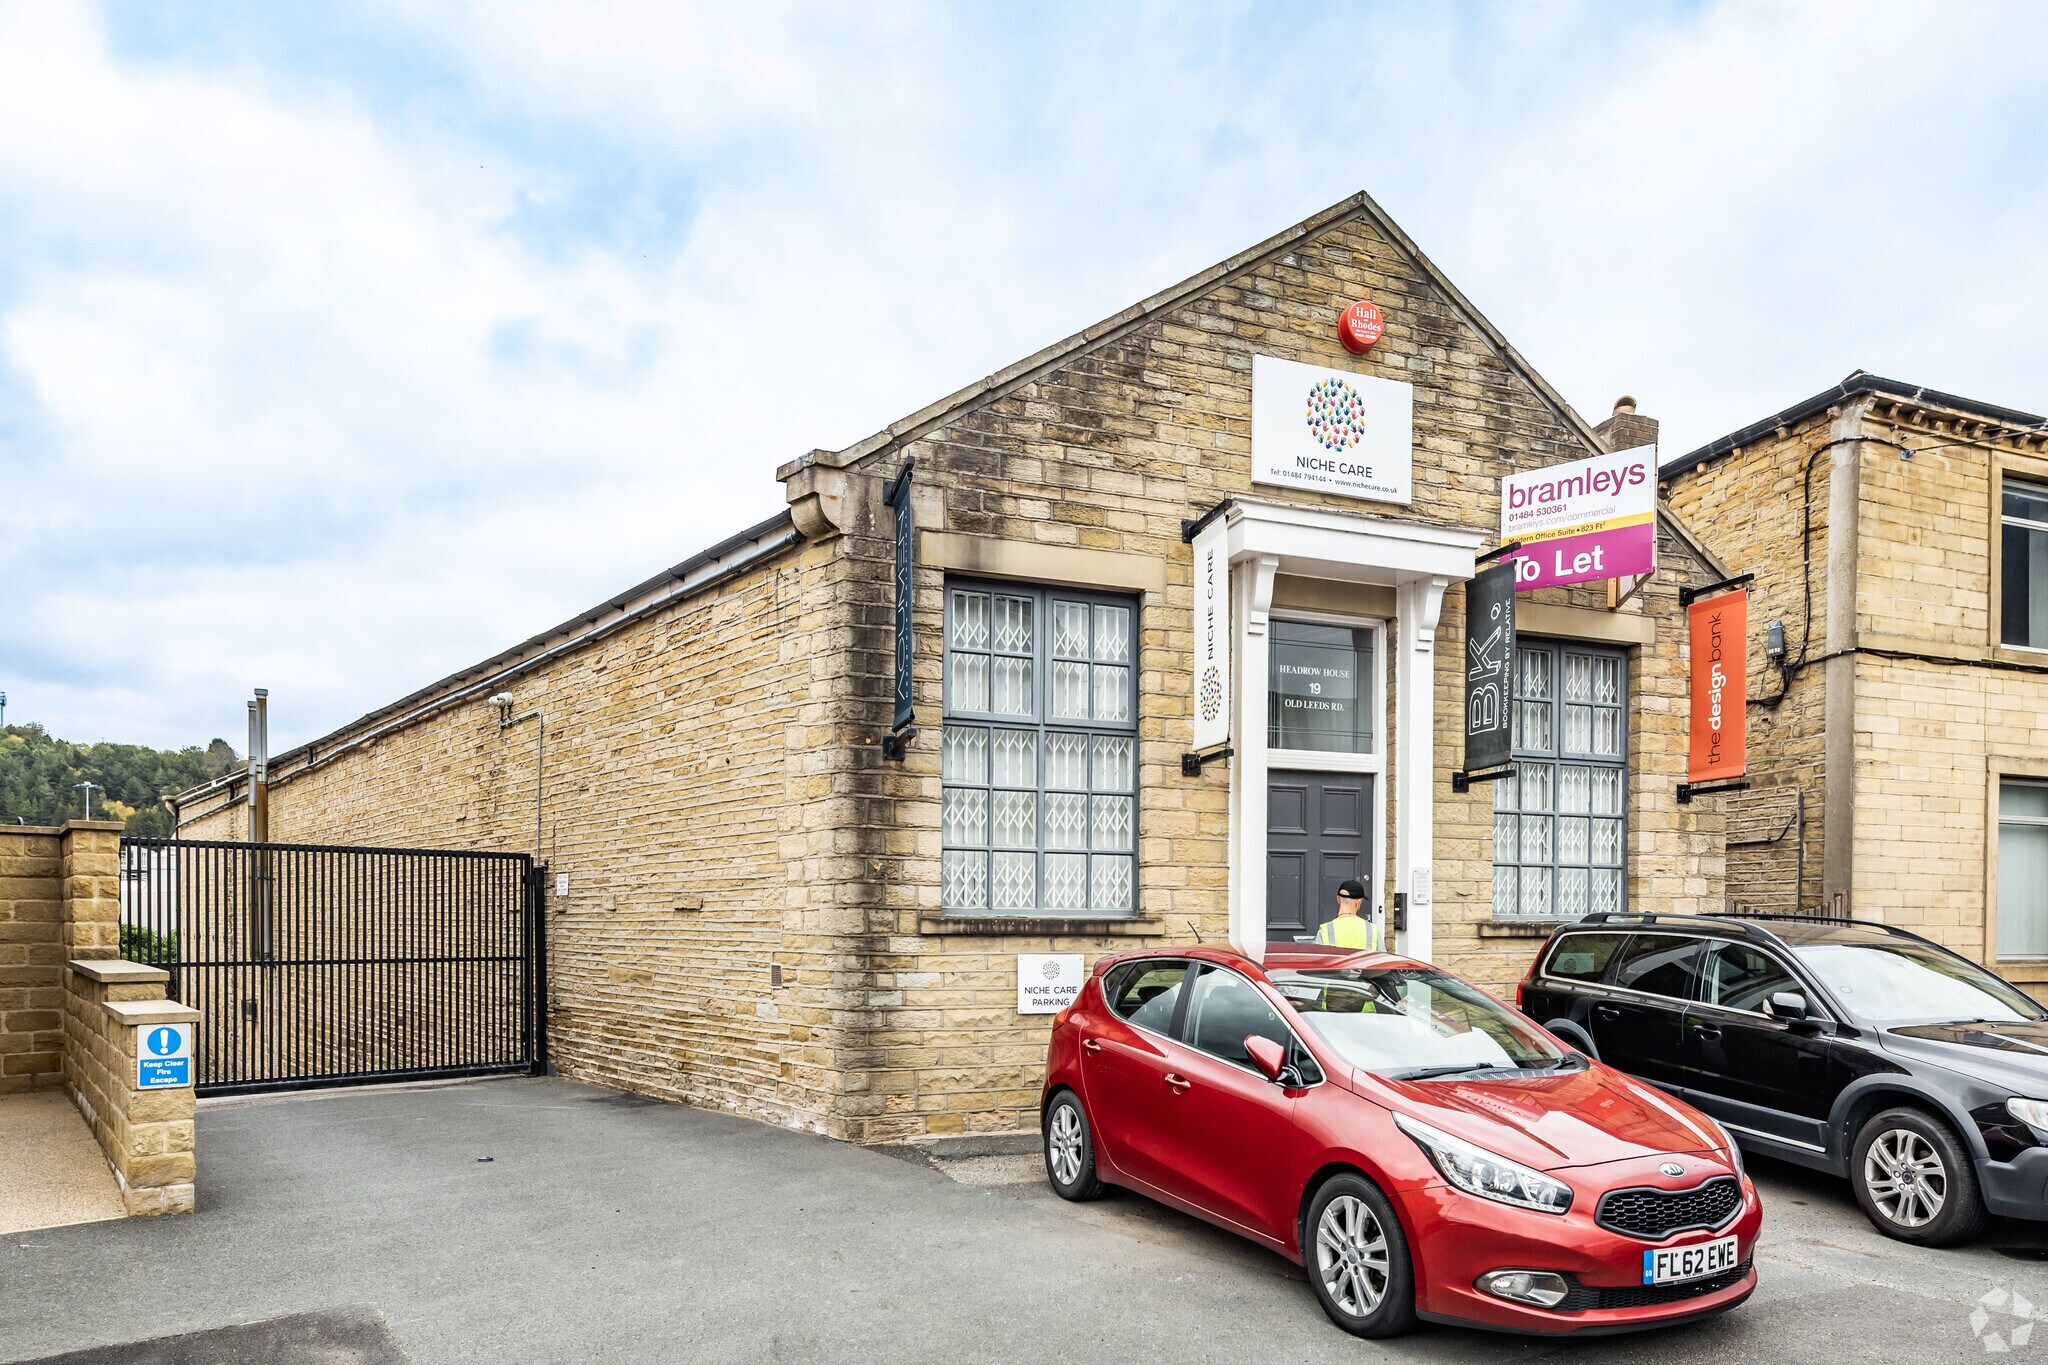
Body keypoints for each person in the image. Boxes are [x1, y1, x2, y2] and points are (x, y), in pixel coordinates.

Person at [1313, 878, 1384, 950]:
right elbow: (1384, 959)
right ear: (1358, 902)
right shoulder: (1373, 930)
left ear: (1338, 899)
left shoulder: (1325, 930)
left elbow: (1317, 959)